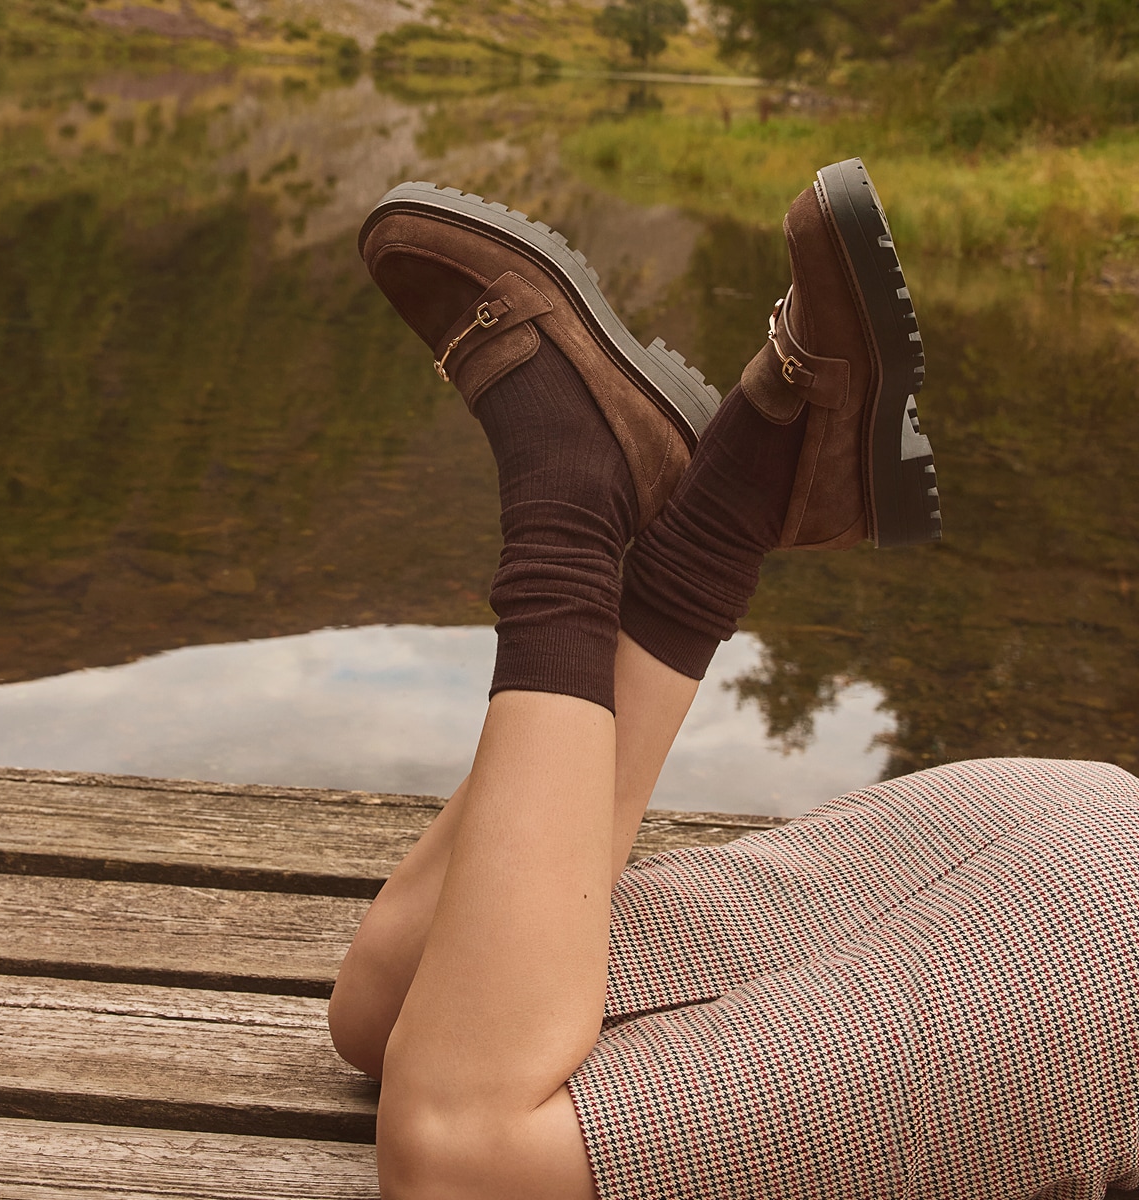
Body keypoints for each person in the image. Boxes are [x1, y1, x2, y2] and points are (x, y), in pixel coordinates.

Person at [327, 159, 1139, 1200]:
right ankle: (576, 493)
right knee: (462, 1152)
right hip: (1097, 949)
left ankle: (747, 477)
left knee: (390, 1005)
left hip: (1072, 820)